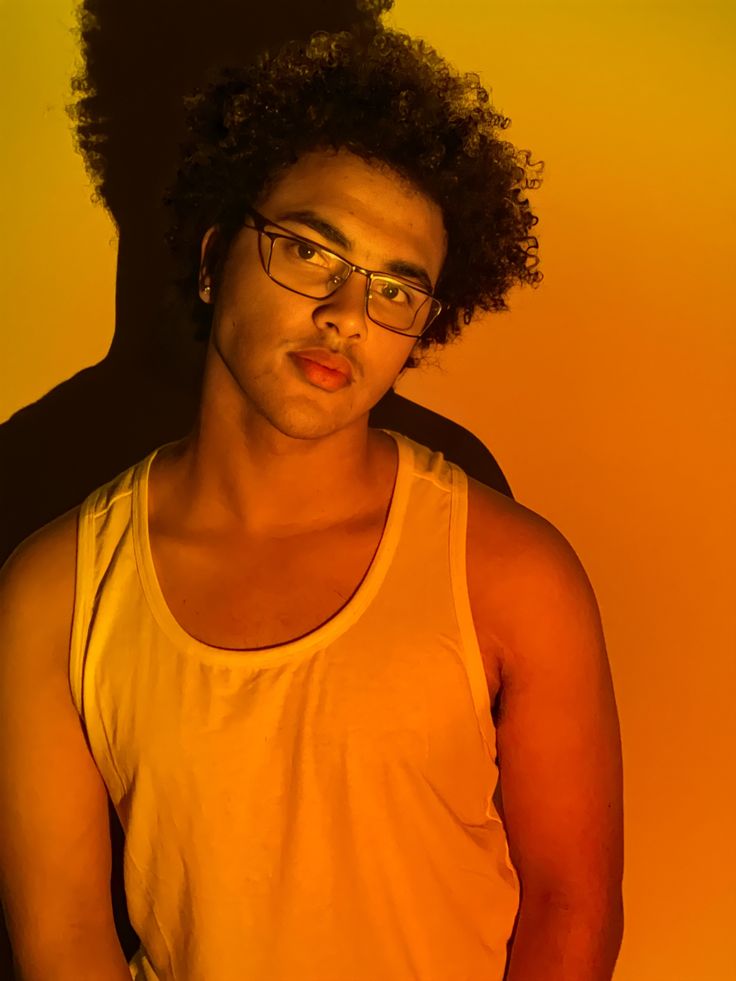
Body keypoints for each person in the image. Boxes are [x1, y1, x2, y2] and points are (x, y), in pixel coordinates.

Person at [0, 12, 623, 981]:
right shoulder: (50, 593)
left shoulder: (514, 575)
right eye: (307, 252)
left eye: (395, 290)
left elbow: (570, 911)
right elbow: (61, 939)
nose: (343, 316)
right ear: (212, 261)